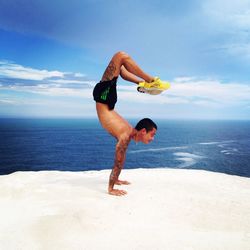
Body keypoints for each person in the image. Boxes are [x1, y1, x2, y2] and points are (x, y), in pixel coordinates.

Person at [93, 51, 162, 196]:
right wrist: (111, 188)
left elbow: (120, 162)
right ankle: (149, 81)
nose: (153, 138)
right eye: (152, 134)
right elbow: (118, 163)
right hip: (103, 97)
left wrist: (116, 179)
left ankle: (143, 84)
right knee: (121, 56)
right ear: (143, 131)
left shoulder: (128, 134)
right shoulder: (125, 136)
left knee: (122, 67)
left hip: (107, 100)